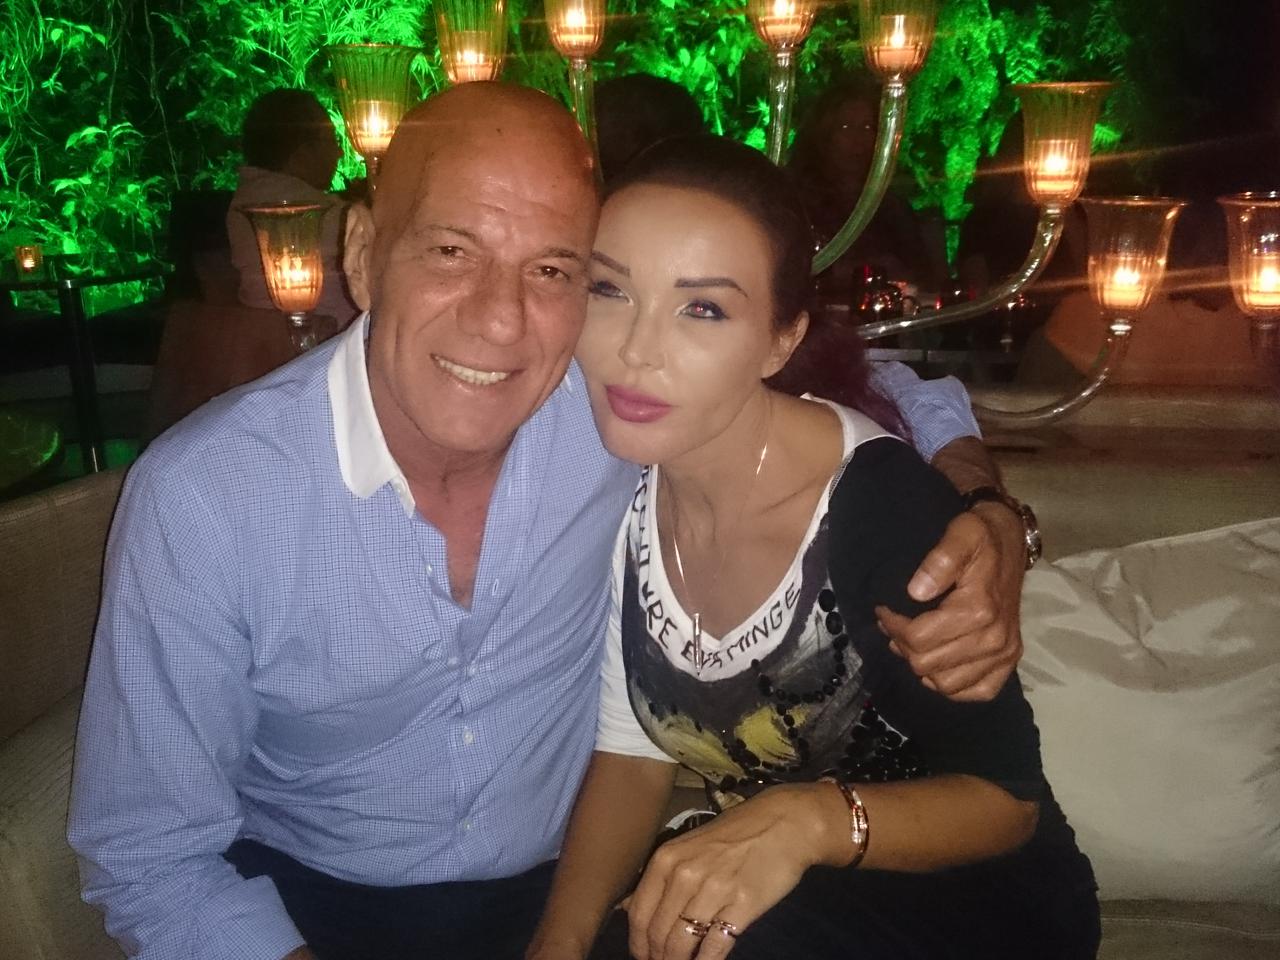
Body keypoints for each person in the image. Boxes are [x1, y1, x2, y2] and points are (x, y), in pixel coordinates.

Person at [69, 84, 1028, 960]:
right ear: (360, 253)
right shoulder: (209, 499)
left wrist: (985, 511)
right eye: (451, 251)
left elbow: (855, 380)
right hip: (308, 914)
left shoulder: (611, 409)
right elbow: (149, 855)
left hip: (560, 893)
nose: (500, 320)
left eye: (553, 269)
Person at [526, 136, 1097, 960]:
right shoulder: (620, 483)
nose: (636, 349)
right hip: (781, 893)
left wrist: (805, 820)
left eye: (703, 308)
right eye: (609, 289)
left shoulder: (876, 507)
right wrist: (558, 944)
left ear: (780, 341)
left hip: (981, 906)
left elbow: (1007, 802)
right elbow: (633, 751)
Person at [226, 88, 360, 327]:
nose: (339, 152)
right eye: (332, 141)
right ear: (302, 155)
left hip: (264, 335)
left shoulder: (250, 195)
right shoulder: (299, 209)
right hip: (317, 338)